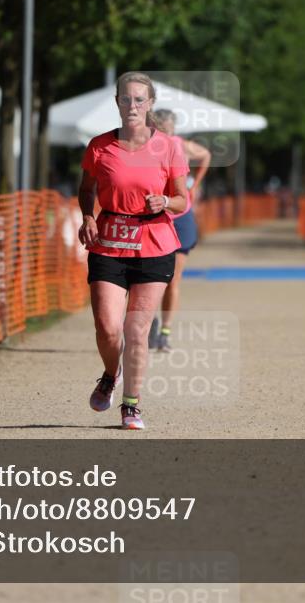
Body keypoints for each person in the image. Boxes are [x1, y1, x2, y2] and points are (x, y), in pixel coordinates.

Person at [78, 72, 189, 430]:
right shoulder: (99, 145)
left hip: (154, 242)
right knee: (108, 327)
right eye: (126, 99)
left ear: (150, 104)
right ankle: (112, 373)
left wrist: (166, 201)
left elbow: (182, 199)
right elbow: (86, 188)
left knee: (137, 330)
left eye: (140, 99)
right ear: (117, 102)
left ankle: (131, 404)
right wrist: (86, 215)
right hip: (109, 241)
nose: (132, 105)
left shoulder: (169, 146)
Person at [148, 109, 211, 353]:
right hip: (157, 216)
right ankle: (150, 323)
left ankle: (165, 330)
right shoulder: (148, 146)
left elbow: (205, 154)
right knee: (150, 279)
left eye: (168, 128)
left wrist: (195, 184)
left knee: (172, 280)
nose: (164, 132)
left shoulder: (180, 144)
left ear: (174, 129)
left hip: (181, 217)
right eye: (160, 128)